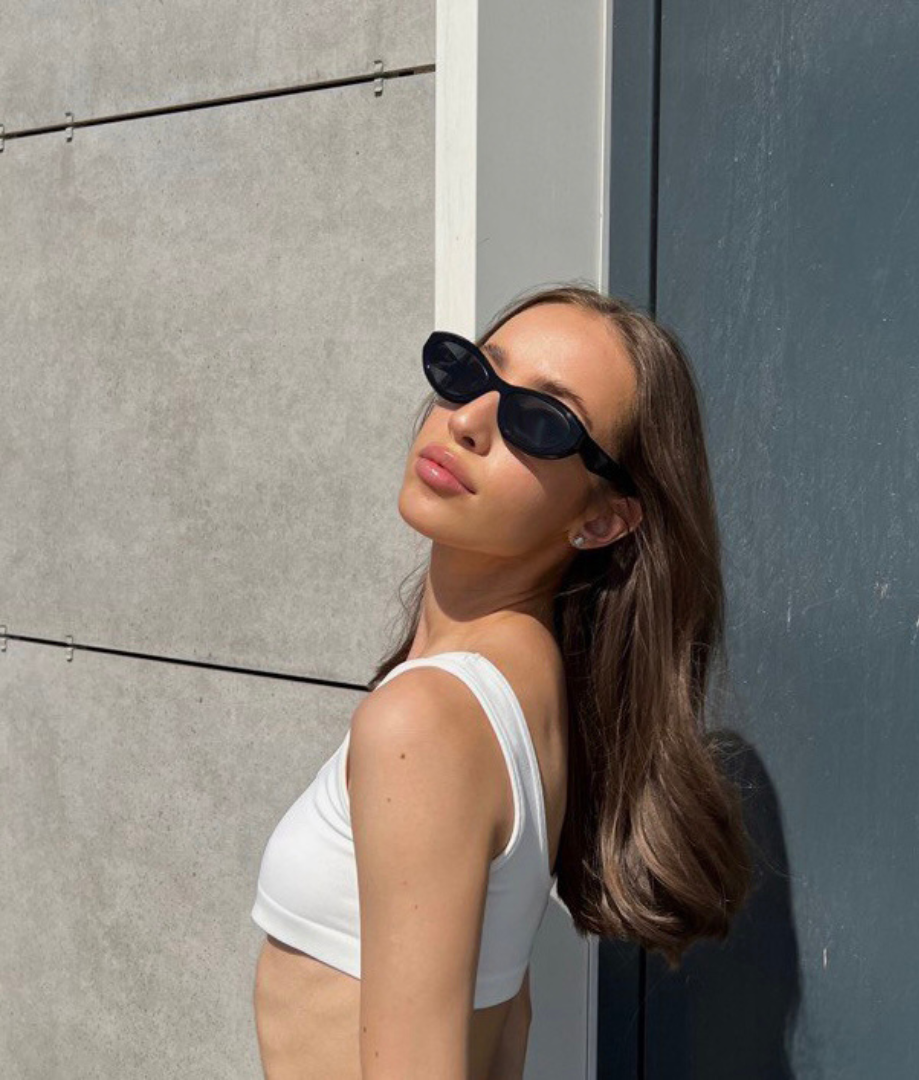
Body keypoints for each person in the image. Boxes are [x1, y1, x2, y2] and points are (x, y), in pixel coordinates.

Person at [251, 282, 754, 1078]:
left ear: (602, 520)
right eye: (472, 372)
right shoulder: (528, 689)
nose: (469, 419)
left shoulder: (427, 719)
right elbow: (507, 1020)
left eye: (542, 421)